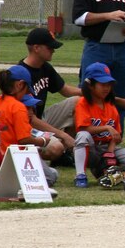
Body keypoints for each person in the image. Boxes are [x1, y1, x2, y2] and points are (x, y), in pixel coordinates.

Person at [0, 66, 59, 187]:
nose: (26, 93)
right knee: (50, 176)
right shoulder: (18, 107)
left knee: (52, 173)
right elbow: (24, 140)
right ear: (19, 85)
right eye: (26, 89)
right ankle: (3, 183)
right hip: (14, 158)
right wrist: (43, 141)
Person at [20, 27, 78, 163]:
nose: (53, 50)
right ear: (36, 48)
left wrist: (90, 92)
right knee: (55, 148)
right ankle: (26, 157)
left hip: (41, 120)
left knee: (78, 102)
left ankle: (63, 153)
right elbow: (30, 119)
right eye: (49, 47)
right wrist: (63, 135)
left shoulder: (45, 67)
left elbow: (65, 90)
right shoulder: (21, 75)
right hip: (26, 126)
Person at [72, 62, 125, 188]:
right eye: (103, 84)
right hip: (91, 149)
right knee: (82, 136)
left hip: (107, 147)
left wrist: (110, 151)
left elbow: (117, 134)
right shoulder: (83, 103)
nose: (107, 88)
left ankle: (113, 174)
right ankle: (80, 175)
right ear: (90, 85)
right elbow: (83, 129)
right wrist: (107, 127)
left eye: (109, 84)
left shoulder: (111, 106)